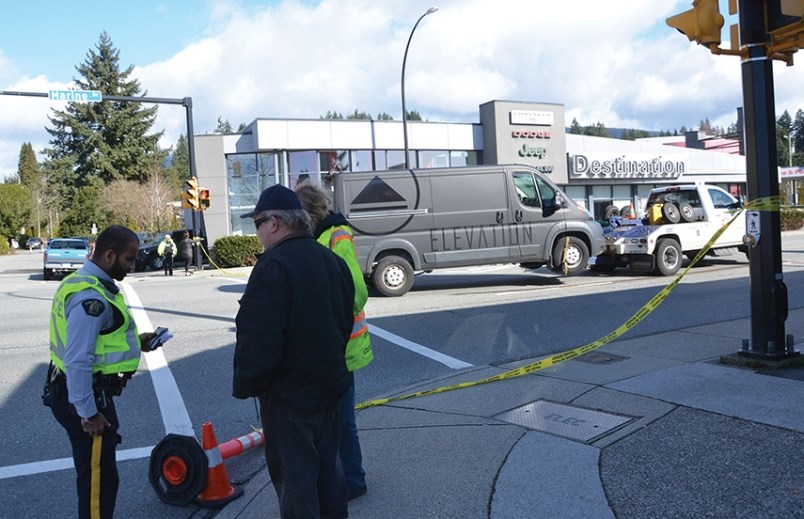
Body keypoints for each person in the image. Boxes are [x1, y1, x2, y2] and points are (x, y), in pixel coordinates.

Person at [232, 184, 355, 519]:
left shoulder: (273, 266)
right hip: (329, 389)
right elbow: (345, 318)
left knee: (296, 485)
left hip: (290, 399)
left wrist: (247, 383)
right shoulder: (330, 260)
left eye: (257, 224)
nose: (256, 232)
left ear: (274, 223)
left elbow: (260, 339)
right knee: (329, 474)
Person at [43, 225, 157, 519]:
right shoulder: (89, 300)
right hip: (84, 395)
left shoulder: (82, 283)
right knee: (98, 482)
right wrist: (88, 413)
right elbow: (78, 359)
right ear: (109, 255)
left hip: (81, 390)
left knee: (101, 476)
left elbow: (101, 340)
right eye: (129, 259)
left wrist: (140, 343)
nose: (132, 266)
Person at [295, 182, 373, 500]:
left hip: (343, 346)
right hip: (332, 346)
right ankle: (343, 475)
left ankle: (354, 480)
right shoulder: (320, 237)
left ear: (308, 212)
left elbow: (356, 292)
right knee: (333, 421)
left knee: (342, 422)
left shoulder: (335, 236)